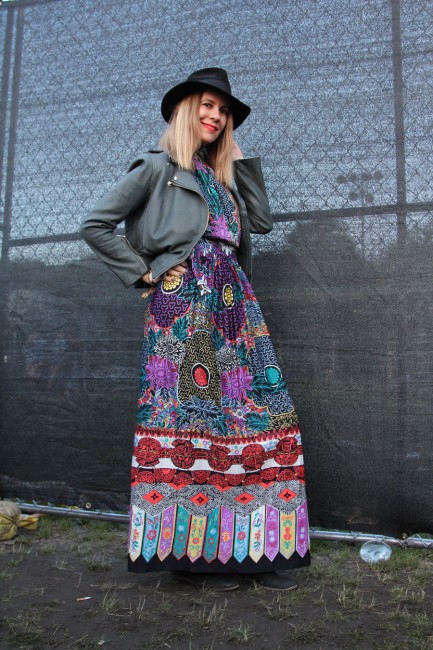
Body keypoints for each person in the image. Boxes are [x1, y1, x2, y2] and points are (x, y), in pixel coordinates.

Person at [80, 68, 310, 591]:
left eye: (224, 111)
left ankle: (255, 550)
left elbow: (262, 223)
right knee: (190, 420)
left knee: (254, 412)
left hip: (234, 305)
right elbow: (95, 224)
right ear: (187, 110)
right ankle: (194, 557)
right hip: (184, 307)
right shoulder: (157, 168)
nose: (216, 116)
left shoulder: (221, 178)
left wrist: (239, 159)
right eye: (207, 105)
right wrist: (146, 273)